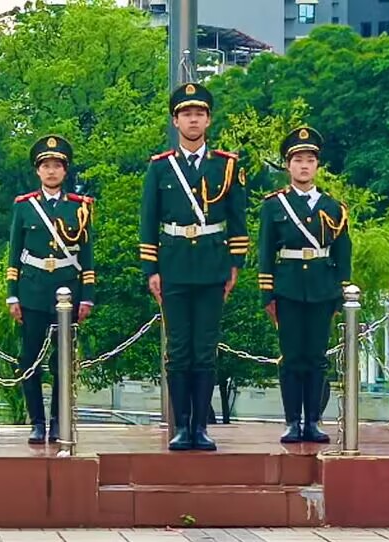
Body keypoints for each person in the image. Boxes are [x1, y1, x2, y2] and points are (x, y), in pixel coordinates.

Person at [141, 82, 249, 452]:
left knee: (205, 347)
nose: (193, 120)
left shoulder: (226, 165)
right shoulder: (160, 167)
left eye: (199, 113)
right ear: (175, 121)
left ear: (208, 120)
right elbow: (148, 220)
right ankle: (181, 426)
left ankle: (201, 427)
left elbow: (238, 219)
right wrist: (151, 268)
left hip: (212, 264)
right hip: (172, 264)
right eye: (186, 114)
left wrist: (235, 264)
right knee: (178, 349)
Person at [256, 126, 351, 443]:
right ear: (288, 165)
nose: (304, 166)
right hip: (288, 288)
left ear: (317, 165)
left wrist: (340, 292)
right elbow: (265, 252)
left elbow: (342, 254)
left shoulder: (333, 207)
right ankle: (292, 421)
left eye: (310, 160)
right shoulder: (274, 205)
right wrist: (267, 293)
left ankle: (312, 421)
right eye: (298, 160)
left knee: (316, 357)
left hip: (322, 289)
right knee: (291, 357)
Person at [6, 135, 95, 444]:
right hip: (32, 291)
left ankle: (58, 420)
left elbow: (87, 255)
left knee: (62, 361)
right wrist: (12, 293)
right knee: (29, 358)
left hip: (67, 293)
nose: (52, 171)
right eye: (46, 166)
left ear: (65, 171)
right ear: (38, 171)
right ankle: (36, 421)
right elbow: (14, 253)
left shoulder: (80, 207)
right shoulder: (24, 206)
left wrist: (88, 297)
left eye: (57, 166)